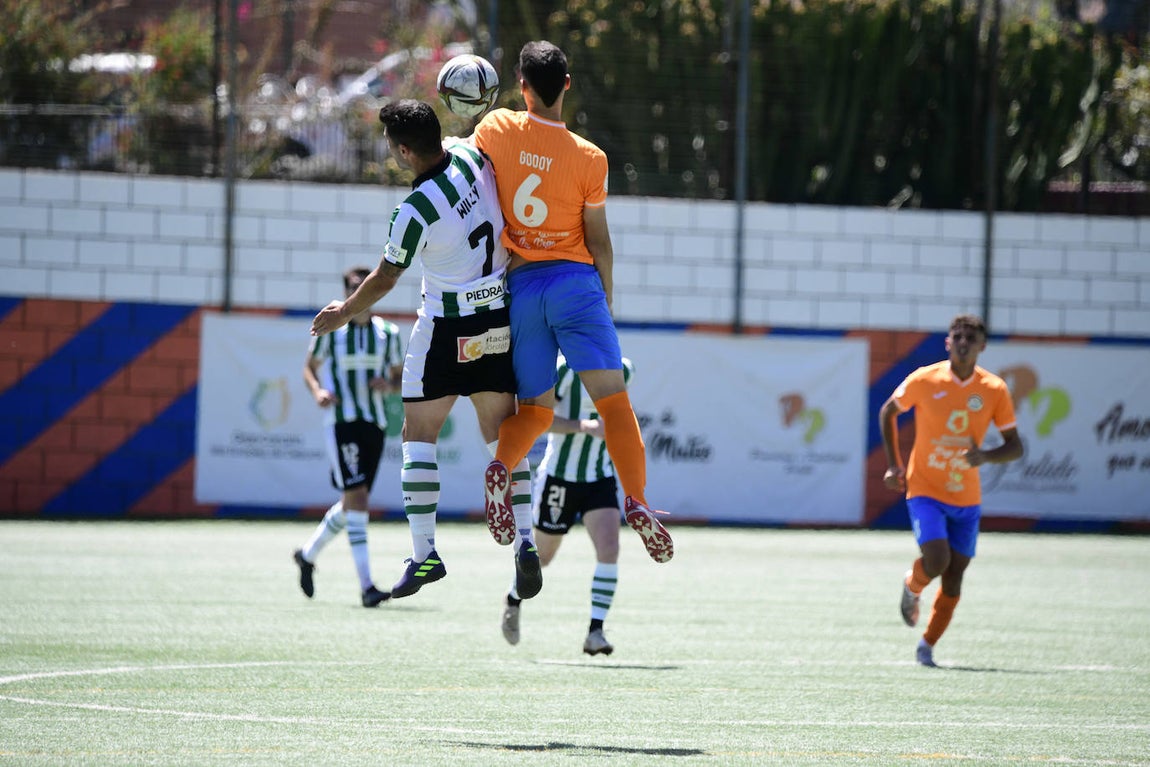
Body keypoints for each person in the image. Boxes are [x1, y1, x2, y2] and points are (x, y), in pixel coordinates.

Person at [310, 99, 543, 602]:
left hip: (445, 327)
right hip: (496, 318)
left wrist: (343, 313)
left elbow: (384, 279)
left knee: (419, 435)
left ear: (401, 150)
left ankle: (425, 554)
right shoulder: (470, 155)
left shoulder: (413, 210)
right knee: (501, 438)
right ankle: (525, 538)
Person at [470, 40, 673, 565]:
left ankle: (501, 465)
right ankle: (637, 500)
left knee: (536, 412)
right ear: (566, 84)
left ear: (521, 86)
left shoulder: (496, 129)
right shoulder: (590, 157)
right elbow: (599, 240)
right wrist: (602, 300)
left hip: (521, 290)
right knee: (614, 404)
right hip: (575, 284)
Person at [879, 313, 1023, 667]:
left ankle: (927, 645)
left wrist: (984, 456)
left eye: (970, 338)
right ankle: (913, 586)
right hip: (924, 488)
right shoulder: (926, 379)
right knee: (937, 560)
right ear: (947, 342)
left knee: (955, 575)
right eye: (957, 336)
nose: (963, 342)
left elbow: (1015, 446)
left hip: (966, 498)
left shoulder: (993, 389)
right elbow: (887, 412)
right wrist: (894, 465)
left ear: (982, 346)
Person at [501, 355, 636, 656]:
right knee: (543, 558)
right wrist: (584, 426)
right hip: (560, 478)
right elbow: (541, 419)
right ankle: (512, 599)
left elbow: (622, 416)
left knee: (609, 549)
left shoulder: (623, 369)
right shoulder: (562, 369)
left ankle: (596, 631)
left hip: (599, 476)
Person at [293, 266, 404, 608]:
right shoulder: (331, 327)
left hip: (374, 422)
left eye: (365, 286)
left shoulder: (388, 332)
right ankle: (367, 585)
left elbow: (400, 378)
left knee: (352, 502)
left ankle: (307, 555)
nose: (361, 292)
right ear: (346, 292)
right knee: (357, 499)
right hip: (341, 422)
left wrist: (389, 385)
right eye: (354, 287)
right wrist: (318, 393)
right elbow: (309, 368)